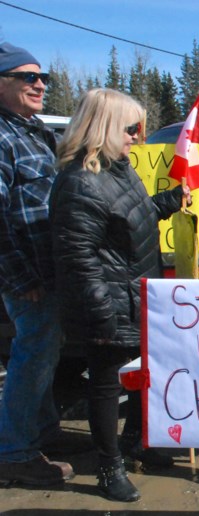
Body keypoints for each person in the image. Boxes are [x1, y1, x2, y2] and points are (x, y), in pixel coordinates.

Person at [49, 88, 187, 502]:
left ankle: (137, 443)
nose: (138, 136)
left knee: (144, 378)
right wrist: (102, 314)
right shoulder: (80, 181)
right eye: (131, 128)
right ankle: (109, 466)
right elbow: (77, 258)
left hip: (136, 293)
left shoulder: (118, 169)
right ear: (106, 127)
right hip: (107, 301)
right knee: (107, 385)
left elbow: (130, 216)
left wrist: (164, 203)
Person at [0, 42, 76, 487]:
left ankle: (43, 432)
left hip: (49, 270)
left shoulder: (34, 131)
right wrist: (19, 275)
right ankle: (14, 452)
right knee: (32, 355)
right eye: (27, 77)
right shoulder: (3, 137)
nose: (40, 84)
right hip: (26, 274)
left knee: (46, 350)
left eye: (41, 76)